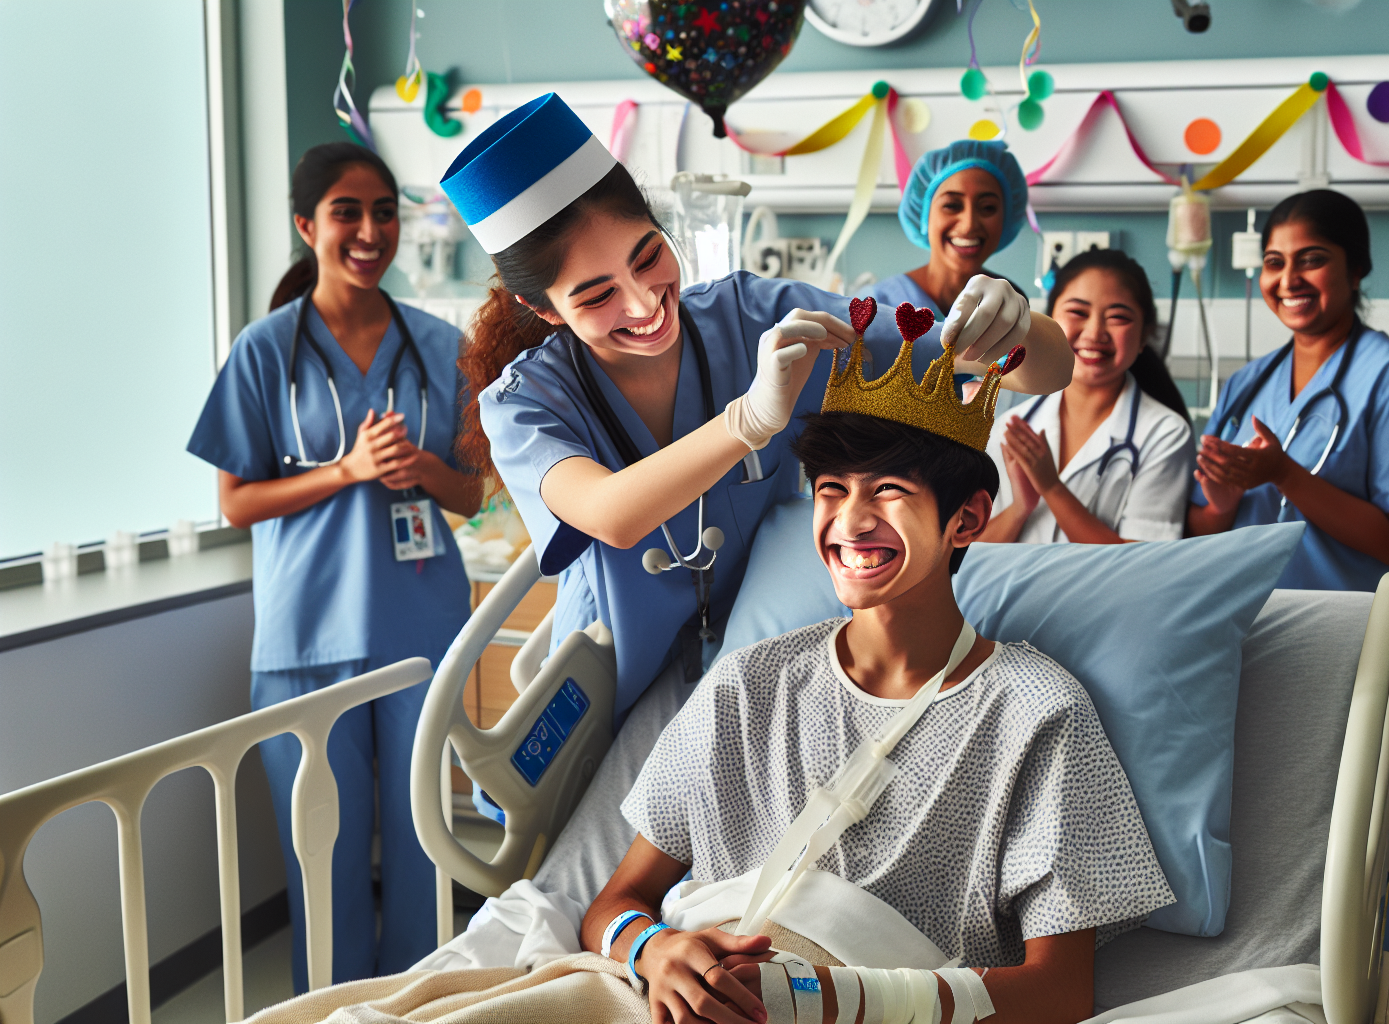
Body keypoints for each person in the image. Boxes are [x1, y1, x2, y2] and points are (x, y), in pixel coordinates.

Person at [442, 95, 1071, 871]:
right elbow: (608, 513)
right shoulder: (525, 402)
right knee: (595, 886)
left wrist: (1022, 326)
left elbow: (1033, 367)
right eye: (597, 294)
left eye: (647, 257)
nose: (643, 304)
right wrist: (747, 421)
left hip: (767, 664)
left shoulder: (754, 317)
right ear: (543, 309)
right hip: (620, 687)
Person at [584, 325, 1172, 1024]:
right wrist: (651, 949)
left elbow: (1060, 991)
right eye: (831, 490)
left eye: (888, 490)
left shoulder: (1035, 712)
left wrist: (833, 1002)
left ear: (967, 520)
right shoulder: (750, 686)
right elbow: (613, 906)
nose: (851, 522)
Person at [186, 143, 483, 987]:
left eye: (383, 211)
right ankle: (333, 1007)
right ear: (305, 226)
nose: (368, 230)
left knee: (427, 842)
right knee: (325, 853)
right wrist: (345, 472)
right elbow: (236, 501)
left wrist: (421, 470)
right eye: (347, 212)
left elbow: (471, 494)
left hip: (422, 631)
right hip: (306, 639)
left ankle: (421, 1001)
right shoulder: (264, 352)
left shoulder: (438, 347)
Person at [1184, 189, 1389, 945]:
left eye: (1313, 260)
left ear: (1355, 267)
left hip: (1382, 661)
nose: (1290, 278)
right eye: (1275, 263)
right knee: (1300, 886)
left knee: (1382, 886)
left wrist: (1283, 476)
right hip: (1286, 656)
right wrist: (1222, 487)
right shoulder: (1250, 383)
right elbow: (1210, 522)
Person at [983, 248, 1193, 544]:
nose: (1095, 332)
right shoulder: (1009, 426)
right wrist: (1021, 508)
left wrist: (1052, 488)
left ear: (1145, 335)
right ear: (1048, 322)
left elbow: (1147, 565)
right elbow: (969, 558)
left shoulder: (1165, 434)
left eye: (1118, 317)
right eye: (1078, 312)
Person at [868, 139, 1031, 363]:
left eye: (988, 208)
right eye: (952, 205)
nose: (969, 224)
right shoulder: (879, 303)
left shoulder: (1012, 301)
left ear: (1006, 218)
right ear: (924, 214)